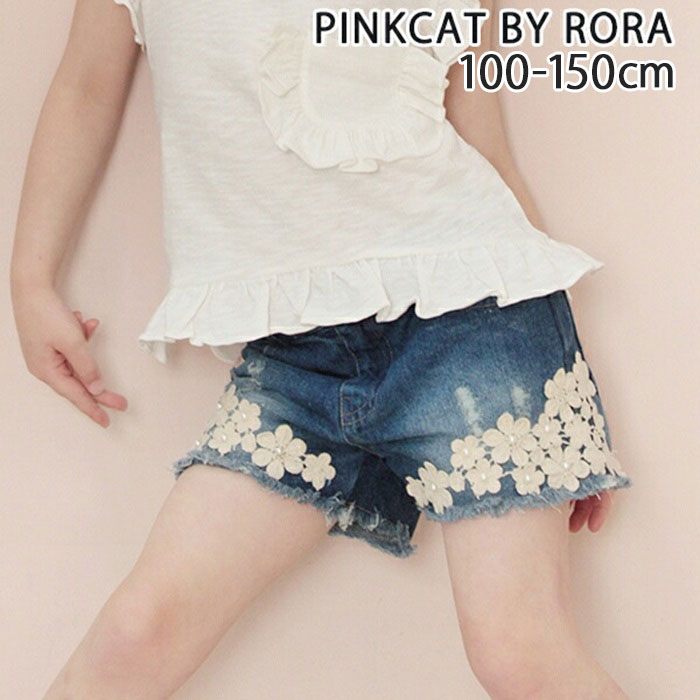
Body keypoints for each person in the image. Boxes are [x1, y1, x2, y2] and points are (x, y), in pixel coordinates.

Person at [10, 0, 633, 697]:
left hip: (475, 329)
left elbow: (484, 140)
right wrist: (30, 281)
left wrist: (564, 417)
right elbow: (84, 86)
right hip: (296, 356)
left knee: (519, 654)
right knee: (137, 633)